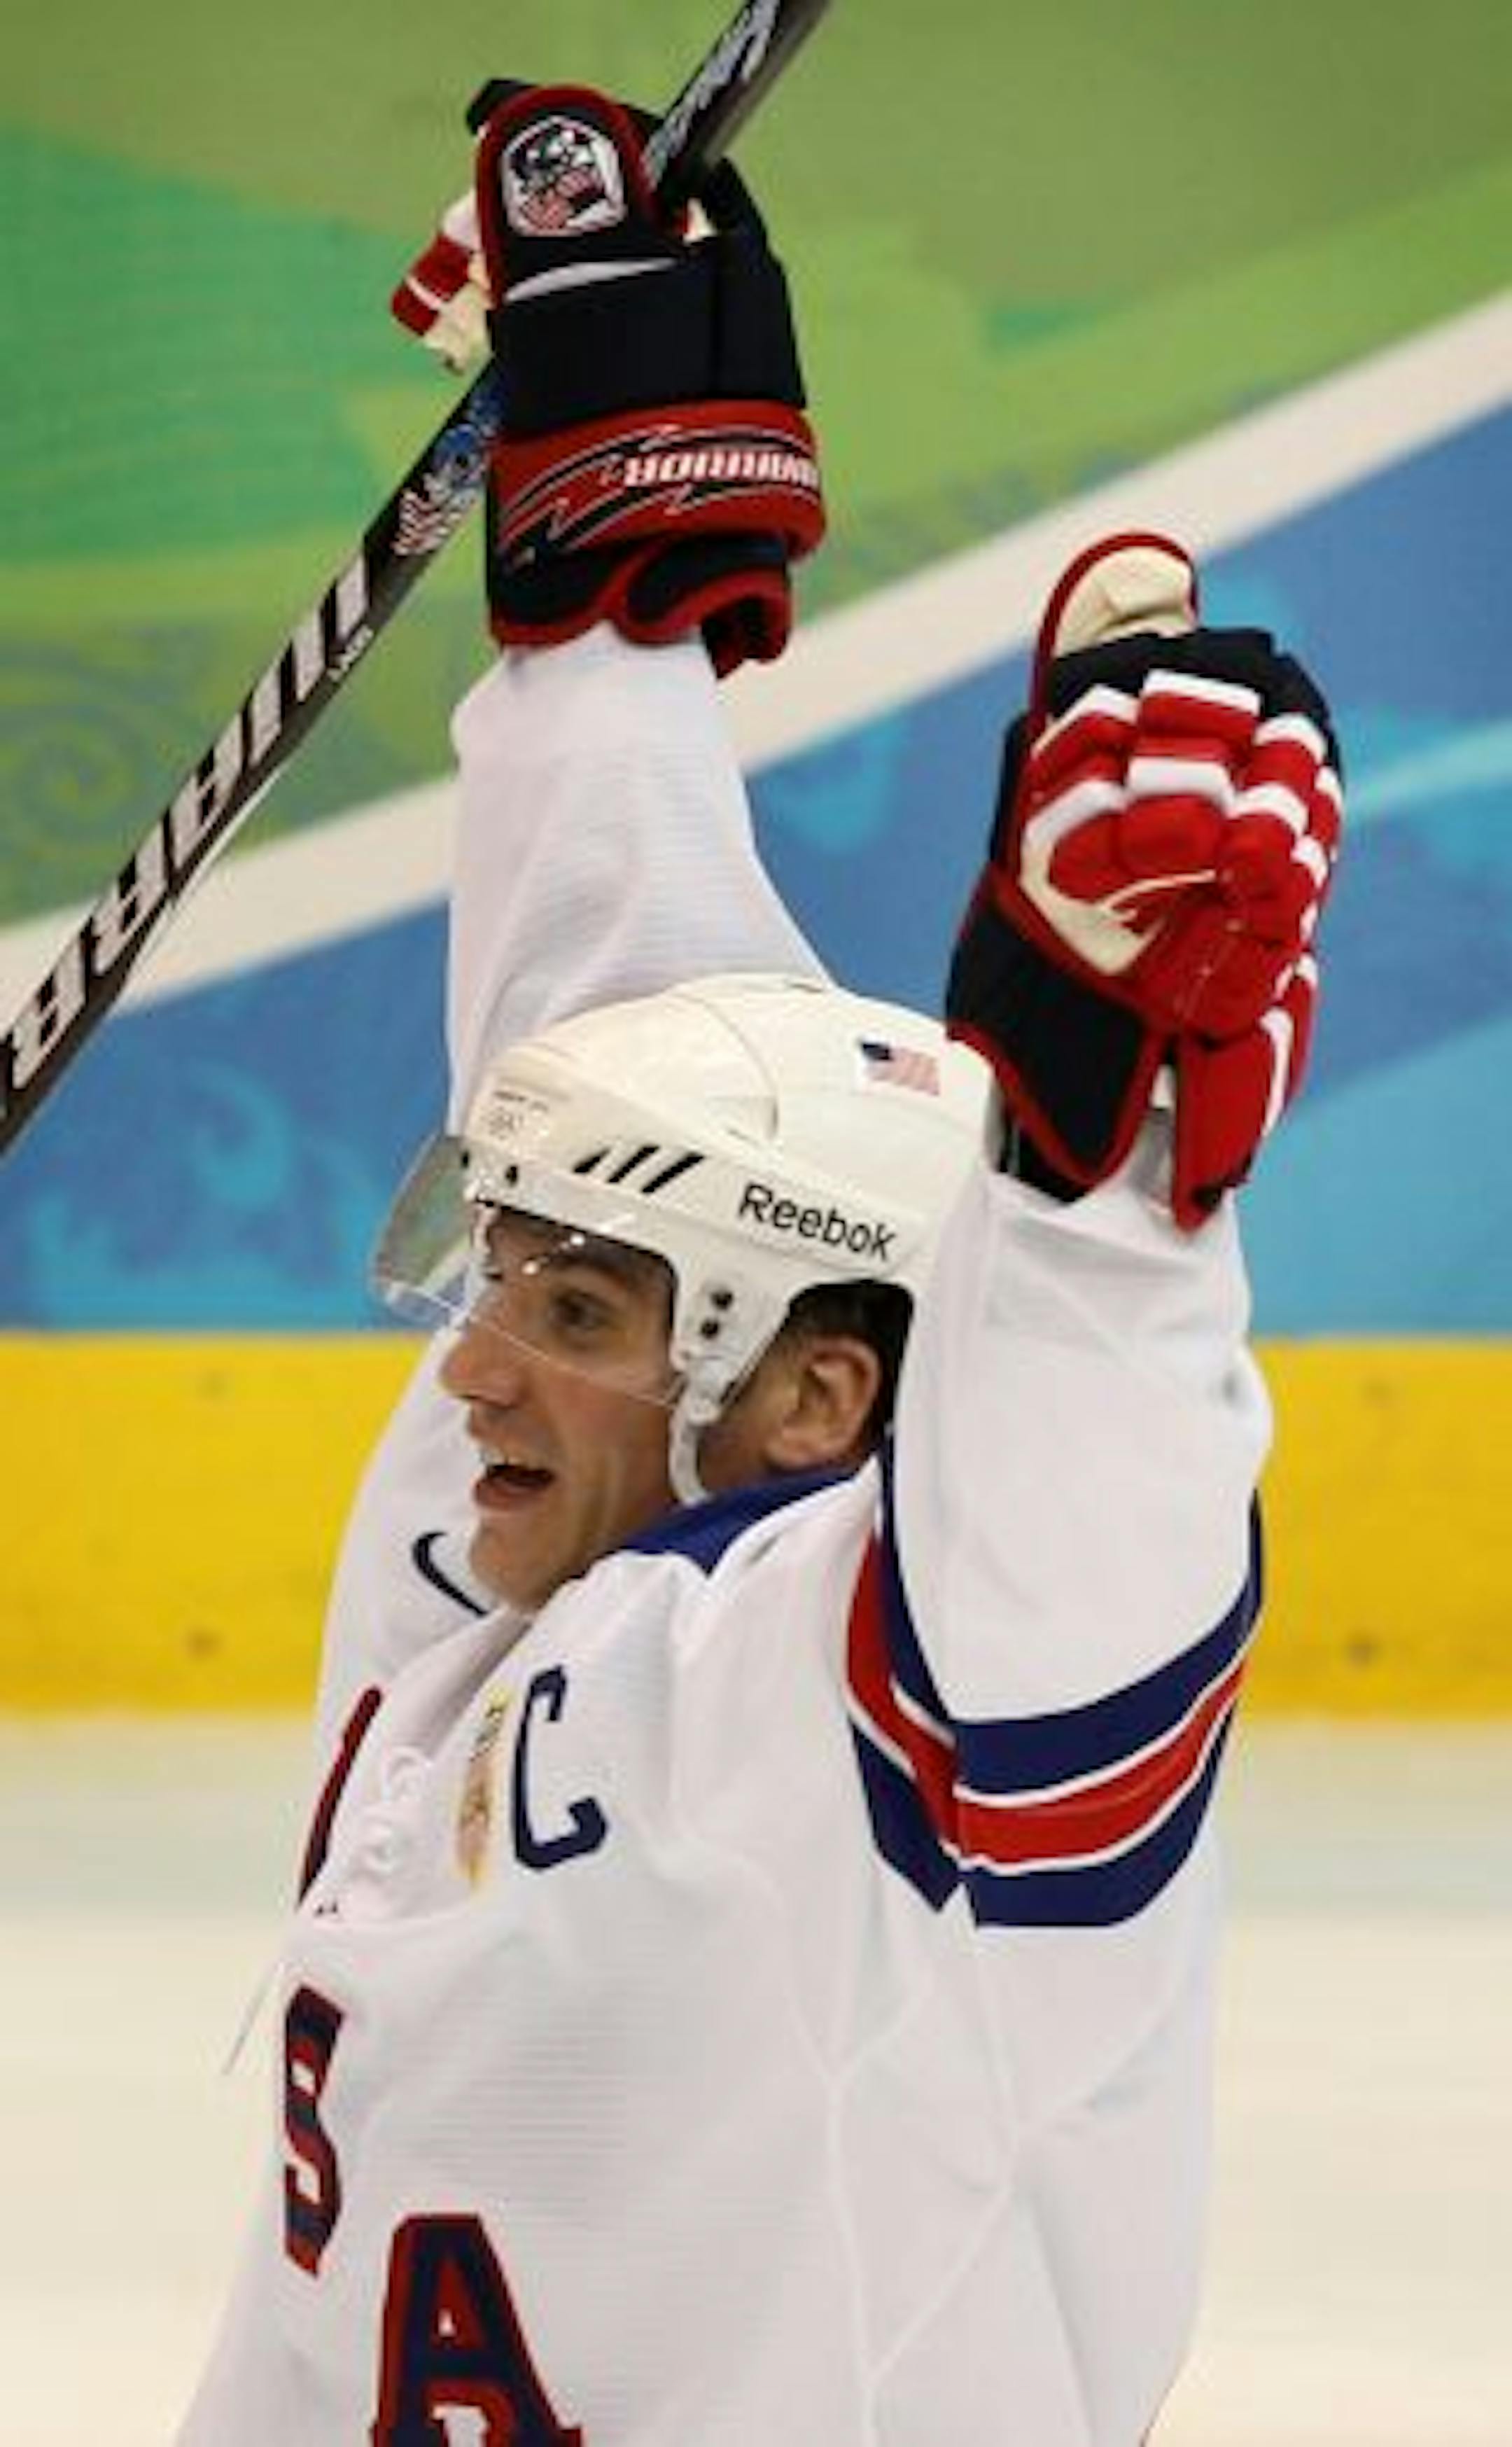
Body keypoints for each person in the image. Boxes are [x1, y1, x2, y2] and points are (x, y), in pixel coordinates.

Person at [178, 81, 1342, 2447]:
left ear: (817, 1406)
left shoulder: (840, 1717)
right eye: (501, 1276)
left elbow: (1068, 1543)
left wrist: (1101, 1160)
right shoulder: (499, 1548)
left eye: (568, 1311)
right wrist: (602, 618)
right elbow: (616, 1053)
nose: (473, 1365)